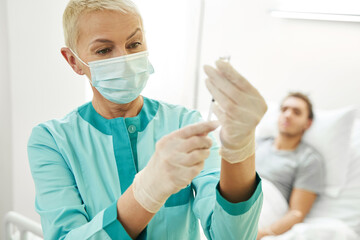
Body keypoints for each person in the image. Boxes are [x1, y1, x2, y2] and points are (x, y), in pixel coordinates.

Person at [27, 0, 268, 239]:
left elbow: (232, 236)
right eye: (104, 50)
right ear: (73, 61)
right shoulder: (52, 141)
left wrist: (240, 149)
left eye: (134, 44)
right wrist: (147, 191)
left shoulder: (186, 124)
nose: (125, 59)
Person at [255, 92, 325, 239]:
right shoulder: (258, 144)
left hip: (266, 205)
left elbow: (296, 213)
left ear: (308, 123)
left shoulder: (309, 159)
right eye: (284, 109)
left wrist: (261, 234)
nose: (287, 115)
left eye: (296, 112)